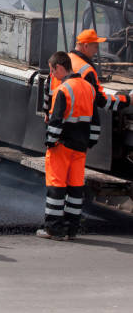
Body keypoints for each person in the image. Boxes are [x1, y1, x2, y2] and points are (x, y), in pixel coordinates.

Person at [37, 51, 99, 241]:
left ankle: (54, 229)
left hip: (62, 145)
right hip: (80, 147)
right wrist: (91, 142)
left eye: (52, 70)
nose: (52, 75)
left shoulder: (64, 90)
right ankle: (71, 228)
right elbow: (95, 121)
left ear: (60, 68)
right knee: (75, 187)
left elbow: (56, 120)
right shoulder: (89, 88)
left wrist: (50, 142)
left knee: (56, 186)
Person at [43, 29, 132, 117]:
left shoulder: (60, 61)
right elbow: (101, 100)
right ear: (86, 46)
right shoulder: (87, 70)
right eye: (95, 47)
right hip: (74, 125)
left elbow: (48, 89)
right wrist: (128, 99)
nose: (96, 51)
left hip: (55, 121)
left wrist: (47, 114)